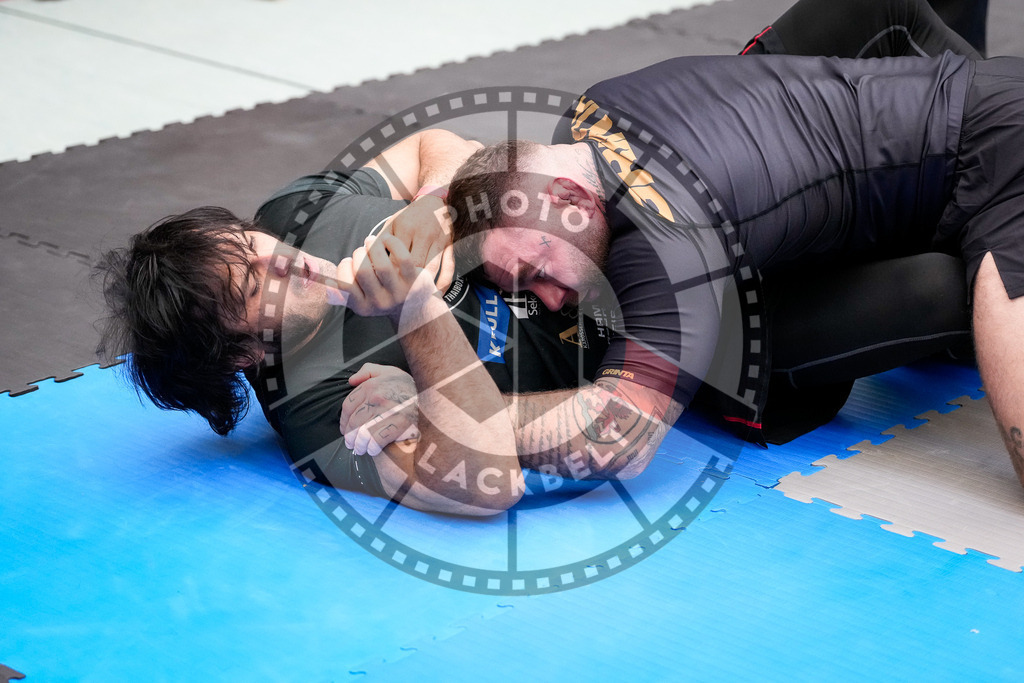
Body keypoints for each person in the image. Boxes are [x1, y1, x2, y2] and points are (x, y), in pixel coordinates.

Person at [434, 3, 1024, 490]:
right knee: (942, 289)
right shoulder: (589, 112)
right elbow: (615, 437)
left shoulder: (653, 233)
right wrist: (434, 223)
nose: (550, 298)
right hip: (749, 343)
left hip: (797, 246)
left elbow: (610, 441)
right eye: (526, 281)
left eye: (537, 270)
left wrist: (454, 416)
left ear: (568, 194)